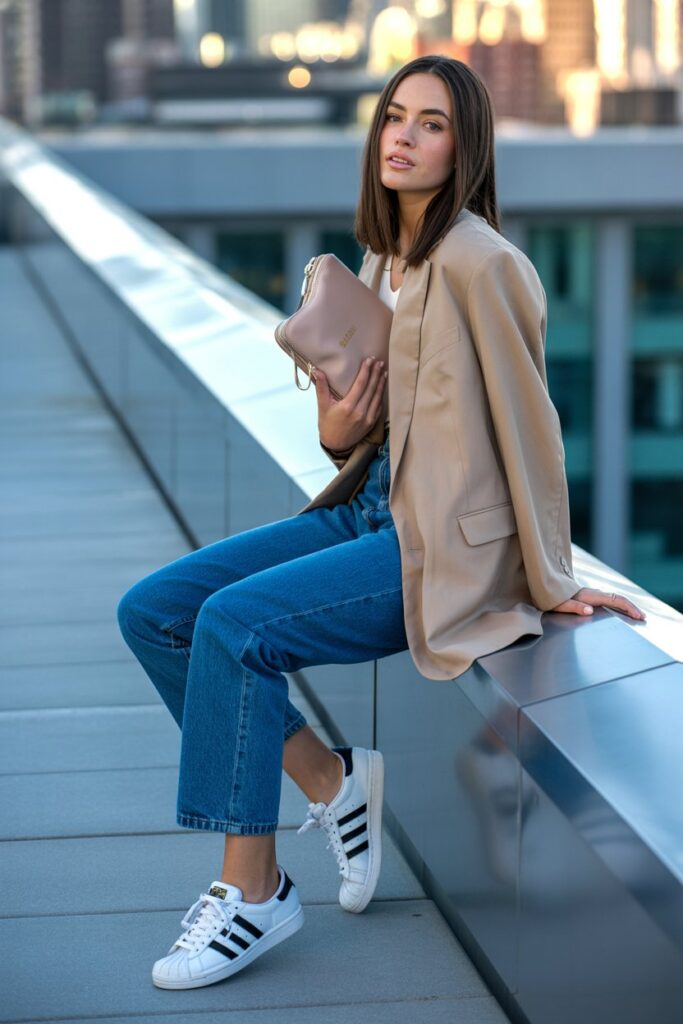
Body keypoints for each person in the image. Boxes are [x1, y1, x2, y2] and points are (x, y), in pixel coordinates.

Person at [116, 54, 645, 991]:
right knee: (154, 610)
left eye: (430, 123)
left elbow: (532, 432)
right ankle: (331, 781)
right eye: (394, 117)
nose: (402, 136)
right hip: (367, 506)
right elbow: (359, 434)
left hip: (434, 545)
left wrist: (550, 577)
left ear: (464, 145)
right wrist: (338, 425)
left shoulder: (485, 264)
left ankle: (253, 891)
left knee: (234, 628)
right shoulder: (383, 259)